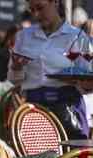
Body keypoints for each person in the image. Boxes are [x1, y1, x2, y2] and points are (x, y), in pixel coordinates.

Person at [8, 0, 93, 139]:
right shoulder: (24, 36)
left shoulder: (77, 37)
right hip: (35, 110)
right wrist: (16, 67)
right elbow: (14, 80)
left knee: (74, 157)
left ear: (55, 3)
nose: (36, 14)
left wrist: (82, 81)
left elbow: (89, 78)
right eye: (32, 9)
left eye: (40, 8)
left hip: (69, 108)